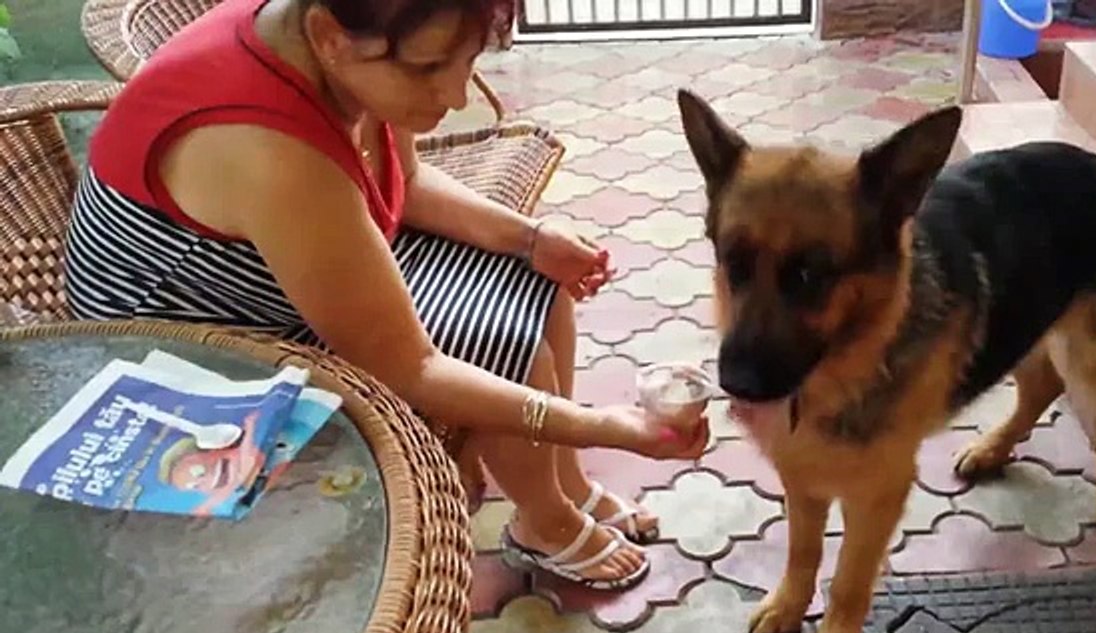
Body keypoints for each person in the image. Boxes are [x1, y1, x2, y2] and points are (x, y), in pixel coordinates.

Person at [64, 0, 709, 590]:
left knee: (536, 280)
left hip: (287, 252)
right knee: (497, 340)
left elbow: (408, 183)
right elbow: (412, 367)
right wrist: (609, 427)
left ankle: (564, 483)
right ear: (329, 36)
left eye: (468, 65)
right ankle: (546, 520)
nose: (456, 97)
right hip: (195, 336)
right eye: (430, 69)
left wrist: (532, 239)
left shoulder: (336, 48)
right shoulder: (274, 148)